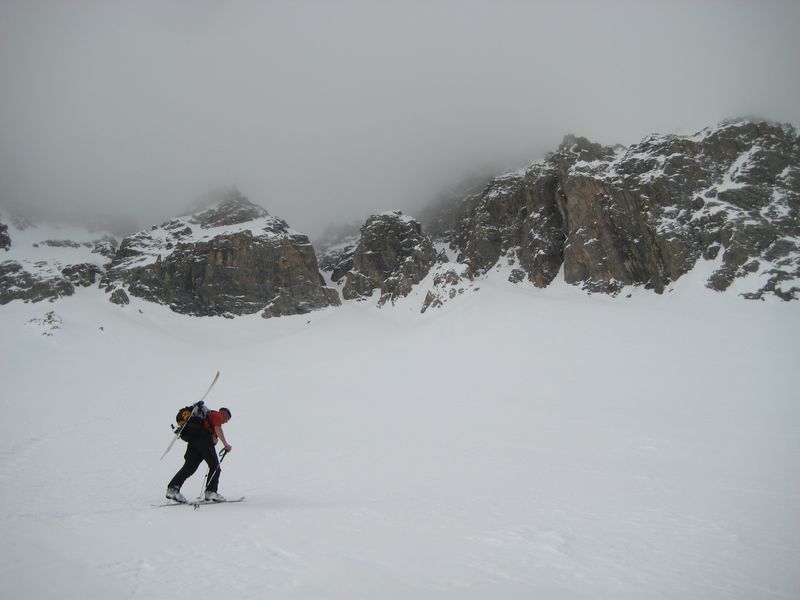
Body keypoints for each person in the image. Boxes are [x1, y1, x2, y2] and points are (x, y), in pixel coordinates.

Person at [166, 407, 232, 503]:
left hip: (194, 441)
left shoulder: (207, 418)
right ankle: (211, 492)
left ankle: (172, 489)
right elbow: (218, 429)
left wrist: (214, 439)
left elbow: (213, 435)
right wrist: (225, 444)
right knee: (215, 466)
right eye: (227, 419)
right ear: (224, 414)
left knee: (189, 467)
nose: (226, 422)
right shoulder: (217, 415)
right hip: (203, 440)